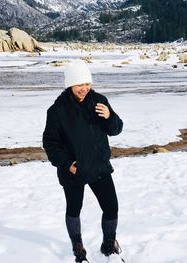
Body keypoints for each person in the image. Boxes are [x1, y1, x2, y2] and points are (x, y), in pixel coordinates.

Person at [42, 60, 124, 262]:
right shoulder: (57, 110)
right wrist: (67, 164)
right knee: (74, 209)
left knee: (111, 207)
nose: (84, 88)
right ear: (70, 84)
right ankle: (78, 249)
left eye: (87, 83)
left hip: (99, 166)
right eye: (79, 84)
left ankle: (108, 245)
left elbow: (115, 129)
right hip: (74, 170)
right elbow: (50, 144)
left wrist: (109, 116)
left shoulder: (99, 101)